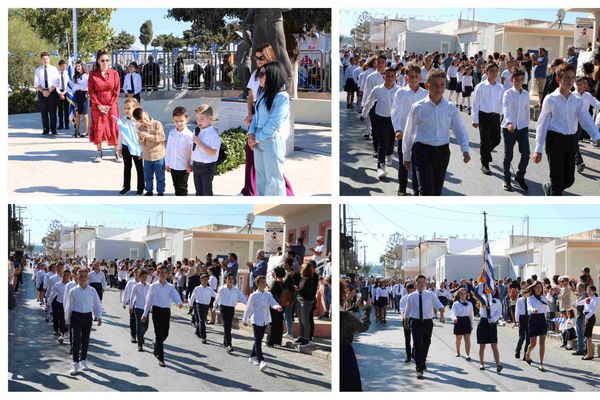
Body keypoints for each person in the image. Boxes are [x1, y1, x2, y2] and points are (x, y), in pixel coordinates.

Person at [532, 63, 600, 196]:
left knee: (569, 180)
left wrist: (597, 136)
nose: (570, 81)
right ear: (558, 79)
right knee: (557, 181)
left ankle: (550, 187)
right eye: (566, 78)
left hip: (571, 141)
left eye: (572, 78)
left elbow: (585, 119)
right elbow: (542, 123)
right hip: (555, 140)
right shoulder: (550, 99)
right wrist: (538, 148)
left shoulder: (577, 100)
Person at [402, 68, 471, 196]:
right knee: (426, 192)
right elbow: (409, 132)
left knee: (436, 191)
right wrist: (406, 156)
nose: (439, 88)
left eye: (442, 84)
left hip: (442, 153)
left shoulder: (450, 107)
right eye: (435, 84)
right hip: (422, 152)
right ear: (427, 85)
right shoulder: (418, 107)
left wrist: (465, 148)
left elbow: (459, 129)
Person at [247, 61, 290, 196]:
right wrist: (251, 134)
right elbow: (256, 116)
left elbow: (274, 123)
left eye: (262, 74)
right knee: (261, 177)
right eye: (259, 73)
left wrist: (257, 138)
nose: (258, 77)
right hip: (258, 140)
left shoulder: (282, 97)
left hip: (271, 140)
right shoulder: (263, 94)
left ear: (272, 75)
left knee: (274, 180)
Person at [392, 63, 427, 196]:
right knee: (404, 162)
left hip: (419, 135)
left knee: (417, 163)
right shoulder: (401, 92)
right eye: (411, 76)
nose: (413, 79)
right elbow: (395, 111)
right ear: (406, 77)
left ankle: (416, 188)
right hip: (404, 133)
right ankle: (402, 187)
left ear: (420, 77)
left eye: (416, 76)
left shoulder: (424, 93)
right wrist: (398, 129)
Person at [362, 67, 400, 180]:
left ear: (395, 77)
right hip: (380, 118)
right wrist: (364, 114)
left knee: (391, 140)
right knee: (382, 142)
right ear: (383, 76)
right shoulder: (377, 89)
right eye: (387, 75)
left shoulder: (399, 90)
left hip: (393, 119)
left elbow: (403, 105)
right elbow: (369, 102)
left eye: (392, 76)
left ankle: (389, 154)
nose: (390, 78)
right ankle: (380, 166)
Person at [403, 274, 444, 379]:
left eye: (423, 282)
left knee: (426, 343)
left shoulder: (430, 294)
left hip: (427, 322)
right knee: (418, 344)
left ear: (426, 283)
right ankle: (419, 368)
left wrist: (441, 309)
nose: (421, 284)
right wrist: (406, 321)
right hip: (416, 322)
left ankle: (422, 360)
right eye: (419, 282)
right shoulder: (411, 296)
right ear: (416, 283)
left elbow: (438, 304)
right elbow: (407, 310)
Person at [142, 265, 183, 367]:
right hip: (156, 311)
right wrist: (145, 314)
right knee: (158, 334)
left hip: (166, 311)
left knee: (165, 333)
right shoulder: (153, 286)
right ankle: (161, 358)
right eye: (161, 273)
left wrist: (179, 302)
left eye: (165, 273)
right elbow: (148, 301)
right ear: (158, 273)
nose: (163, 275)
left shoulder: (170, 286)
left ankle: (156, 344)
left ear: (167, 274)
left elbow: (175, 295)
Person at [64, 268, 102, 375]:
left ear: (88, 278)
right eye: (81, 276)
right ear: (77, 277)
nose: (83, 278)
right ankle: (75, 362)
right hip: (76, 316)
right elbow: (68, 306)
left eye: (85, 276)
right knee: (76, 340)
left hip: (87, 317)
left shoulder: (92, 290)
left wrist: (99, 316)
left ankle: (83, 360)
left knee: (85, 340)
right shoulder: (73, 291)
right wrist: (67, 321)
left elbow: (97, 304)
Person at [243, 275, 283, 372]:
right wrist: (245, 319)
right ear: (257, 284)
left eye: (264, 282)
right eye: (261, 282)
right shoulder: (253, 295)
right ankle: (261, 360)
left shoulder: (268, 294)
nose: (264, 284)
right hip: (256, 320)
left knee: (259, 340)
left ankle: (252, 357)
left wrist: (277, 306)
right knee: (258, 340)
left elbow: (273, 302)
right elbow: (248, 308)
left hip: (265, 320)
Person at [88, 50, 121, 163]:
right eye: (102, 60)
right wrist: (98, 105)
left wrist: (109, 105)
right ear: (98, 61)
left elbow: (116, 91)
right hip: (97, 107)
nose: (105, 62)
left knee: (113, 127)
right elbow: (91, 91)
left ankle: (116, 152)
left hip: (111, 106)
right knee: (99, 128)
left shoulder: (114, 73)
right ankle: (99, 152)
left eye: (107, 60)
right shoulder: (93, 75)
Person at [501, 66, 530, 192]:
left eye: (521, 79)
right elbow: (505, 108)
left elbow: (527, 111)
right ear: (512, 80)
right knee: (509, 155)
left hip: (522, 127)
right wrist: (509, 122)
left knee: (526, 153)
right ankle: (507, 179)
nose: (519, 82)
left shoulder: (526, 94)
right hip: (509, 128)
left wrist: (527, 125)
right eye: (516, 79)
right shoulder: (508, 93)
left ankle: (519, 176)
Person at [472, 61, 504, 175]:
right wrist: (474, 119)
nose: (494, 73)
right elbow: (475, 104)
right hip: (483, 116)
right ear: (486, 72)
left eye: (496, 71)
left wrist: (504, 115)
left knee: (496, 139)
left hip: (495, 116)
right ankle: (484, 164)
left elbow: (503, 103)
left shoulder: (500, 87)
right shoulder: (480, 87)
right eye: (491, 71)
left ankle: (486, 153)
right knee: (485, 141)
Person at [340, 280, 371, 392]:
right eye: (345, 293)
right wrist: (368, 309)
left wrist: (354, 307)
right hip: (345, 354)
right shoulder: (345, 316)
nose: (346, 295)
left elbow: (344, 313)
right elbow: (363, 326)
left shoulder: (341, 313)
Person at [133, 107, 166, 196]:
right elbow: (140, 143)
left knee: (160, 177)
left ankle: (160, 192)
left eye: (145, 118)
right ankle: (149, 191)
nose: (144, 122)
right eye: (141, 121)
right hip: (147, 157)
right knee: (147, 177)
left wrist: (148, 135)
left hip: (158, 156)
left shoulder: (157, 124)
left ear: (147, 114)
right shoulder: (140, 127)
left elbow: (162, 138)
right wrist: (141, 138)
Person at [116, 97, 144, 195]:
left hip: (136, 148)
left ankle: (140, 188)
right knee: (127, 167)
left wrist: (142, 150)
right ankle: (126, 187)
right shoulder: (122, 120)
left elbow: (141, 136)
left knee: (139, 168)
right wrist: (119, 147)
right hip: (125, 147)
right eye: (125, 108)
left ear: (135, 109)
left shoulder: (138, 122)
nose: (126, 110)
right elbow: (120, 134)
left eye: (129, 108)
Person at [191, 105, 221, 196]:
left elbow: (213, 152)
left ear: (210, 118)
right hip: (196, 165)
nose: (198, 121)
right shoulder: (196, 131)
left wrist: (200, 143)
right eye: (197, 118)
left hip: (207, 167)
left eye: (202, 118)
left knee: (207, 192)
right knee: (198, 192)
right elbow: (193, 149)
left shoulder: (213, 134)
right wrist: (191, 162)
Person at [214, 274, 247, 352]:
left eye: (232, 279)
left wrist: (249, 305)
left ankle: (225, 342)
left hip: (231, 309)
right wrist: (214, 307)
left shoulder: (236, 290)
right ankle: (229, 344)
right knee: (227, 325)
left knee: (228, 326)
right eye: (229, 279)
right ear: (226, 280)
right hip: (223, 308)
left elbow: (243, 298)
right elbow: (217, 298)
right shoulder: (222, 289)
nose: (230, 280)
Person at [165, 106, 193, 196]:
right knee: (176, 186)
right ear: (173, 120)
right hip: (173, 165)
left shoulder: (189, 135)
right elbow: (168, 149)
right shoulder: (172, 133)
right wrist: (167, 163)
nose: (179, 123)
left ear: (187, 119)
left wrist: (191, 164)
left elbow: (192, 151)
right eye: (176, 121)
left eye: (181, 121)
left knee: (182, 188)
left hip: (184, 167)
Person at [523, 281, 549, 371]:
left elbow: (546, 309)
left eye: (540, 288)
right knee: (533, 344)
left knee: (542, 343)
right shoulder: (530, 298)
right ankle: (528, 353)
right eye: (537, 287)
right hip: (533, 319)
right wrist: (533, 309)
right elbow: (528, 307)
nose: (539, 289)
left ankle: (541, 363)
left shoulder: (544, 298)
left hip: (542, 320)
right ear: (533, 288)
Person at [477, 290, 503, 373]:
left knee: (494, 345)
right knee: (482, 346)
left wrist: (493, 319)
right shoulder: (482, 298)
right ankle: (481, 363)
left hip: (492, 324)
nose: (491, 291)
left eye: (492, 289)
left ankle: (498, 365)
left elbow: (499, 313)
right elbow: (477, 294)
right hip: (483, 322)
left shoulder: (497, 301)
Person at [34, 52, 59, 135]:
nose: (45, 60)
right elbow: (36, 83)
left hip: (52, 92)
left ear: (49, 59)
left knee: (53, 112)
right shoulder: (38, 70)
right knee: (43, 112)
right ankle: (45, 129)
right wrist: (43, 91)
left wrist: (49, 90)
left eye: (47, 59)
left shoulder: (54, 69)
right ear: (41, 60)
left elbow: (56, 81)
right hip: (42, 92)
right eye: (44, 59)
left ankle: (53, 129)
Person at [189, 273, 216, 344]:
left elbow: (216, 295)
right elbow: (193, 297)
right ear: (201, 280)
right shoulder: (197, 288)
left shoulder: (210, 289)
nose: (205, 281)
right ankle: (204, 337)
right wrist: (190, 304)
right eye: (204, 280)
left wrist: (220, 301)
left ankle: (198, 331)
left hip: (206, 306)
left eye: (207, 280)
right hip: (199, 306)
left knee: (202, 320)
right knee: (201, 321)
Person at [297, 262, 318, 345]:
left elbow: (308, 291)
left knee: (306, 320)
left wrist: (298, 290)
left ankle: (306, 338)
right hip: (300, 300)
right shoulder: (304, 278)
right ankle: (302, 336)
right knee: (301, 320)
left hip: (306, 300)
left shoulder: (310, 279)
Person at [48, 268, 71, 344]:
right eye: (64, 275)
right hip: (58, 304)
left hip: (66, 305)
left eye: (67, 275)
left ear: (69, 276)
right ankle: (56, 329)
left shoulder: (71, 285)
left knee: (63, 320)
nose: (65, 277)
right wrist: (48, 303)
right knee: (56, 318)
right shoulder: (57, 284)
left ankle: (62, 335)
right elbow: (52, 294)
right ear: (62, 275)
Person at [451, 288, 474, 360]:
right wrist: (454, 318)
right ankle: (458, 352)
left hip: (467, 321)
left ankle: (467, 354)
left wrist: (472, 325)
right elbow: (453, 313)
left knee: (467, 339)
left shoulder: (469, 304)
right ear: (459, 295)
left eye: (464, 293)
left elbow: (471, 315)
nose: (463, 295)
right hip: (458, 321)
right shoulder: (456, 304)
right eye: (461, 294)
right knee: (458, 339)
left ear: (466, 295)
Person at [130, 269, 150, 351]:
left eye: (146, 277)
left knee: (146, 326)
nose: (144, 278)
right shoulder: (136, 286)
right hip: (138, 308)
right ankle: (140, 344)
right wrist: (131, 307)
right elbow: (132, 297)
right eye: (143, 277)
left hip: (146, 309)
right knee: (139, 326)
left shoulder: (150, 286)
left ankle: (141, 336)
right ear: (140, 277)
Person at [267, 267, 287, 347]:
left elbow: (271, 294)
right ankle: (278, 342)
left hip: (274, 305)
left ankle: (270, 342)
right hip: (283, 304)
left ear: (276, 274)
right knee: (279, 323)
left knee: (272, 323)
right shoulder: (284, 283)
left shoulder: (275, 282)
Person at [576, 285, 598, 360]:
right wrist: (580, 297)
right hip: (586, 316)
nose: (588, 292)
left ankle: (589, 354)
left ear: (594, 291)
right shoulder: (587, 298)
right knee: (587, 336)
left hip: (590, 317)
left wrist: (587, 317)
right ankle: (590, 353)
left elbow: (593, 310)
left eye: (590, 290)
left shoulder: (596, 298)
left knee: (588, 336)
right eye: (587, 290)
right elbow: (577, 303)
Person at [72, 60, 89, 137]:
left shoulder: (86, 75)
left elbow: (85, 87)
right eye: (76, 66)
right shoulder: (75, 76)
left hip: (84, 95)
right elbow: (73, 87)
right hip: (77, 95)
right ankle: (77, 131)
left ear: (82, 66)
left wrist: (78, 87)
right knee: (77, 113)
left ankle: (85, 131)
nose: (78, 68)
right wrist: (78, 87)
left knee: (85, 114)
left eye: (79, 66)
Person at [514, 282, 530, 360]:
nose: (527, 294)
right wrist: (517, 320)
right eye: (525, 292)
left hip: (529, 318)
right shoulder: (520, 300)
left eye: (528, 292)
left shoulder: (530, 300)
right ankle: (518, 350)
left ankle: (525, 354)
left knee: (528, 339)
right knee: (522, 336)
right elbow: (517, 310)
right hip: (522, 318)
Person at [54, 60, 71, 131]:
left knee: (66, 109)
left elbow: (69, 84)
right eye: (63, 66)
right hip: (58, 92)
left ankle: (67, 124)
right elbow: (56, 85)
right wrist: (60, 93)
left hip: (66, 91)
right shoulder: (56, 74)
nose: (64, 67)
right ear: (59, 66)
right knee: (60, 109)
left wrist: (64, 92)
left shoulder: (67, 74)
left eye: (65, 66)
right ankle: (61, 124)